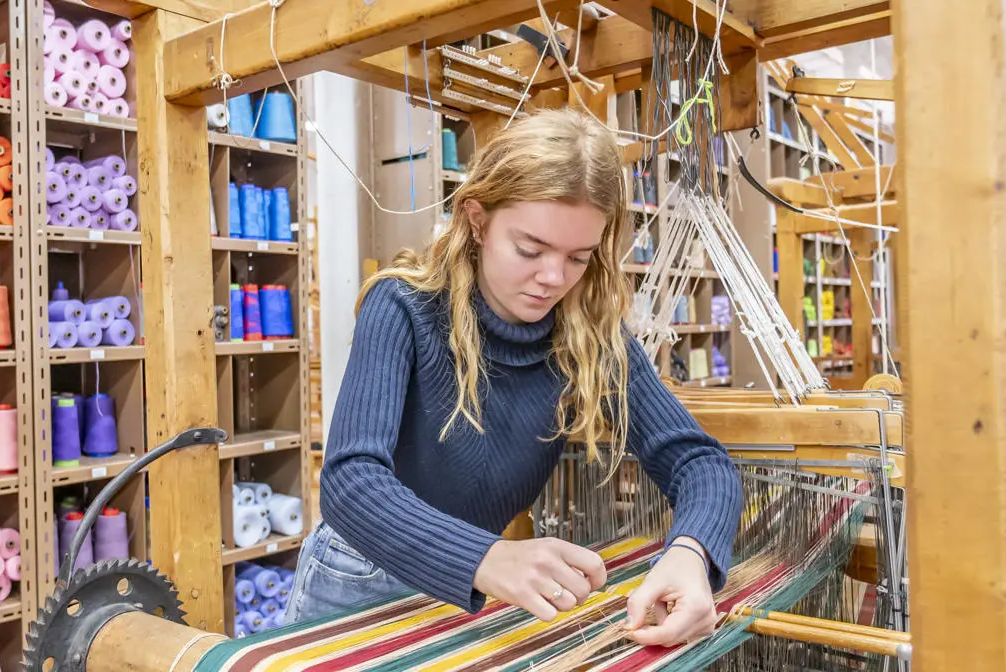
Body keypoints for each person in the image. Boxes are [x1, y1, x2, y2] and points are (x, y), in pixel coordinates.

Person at [285, 108, 743, 648]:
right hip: (357, 580)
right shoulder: (404, 305)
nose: (553, 278)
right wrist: (485, 557)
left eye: (578, 257)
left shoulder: (590, 337)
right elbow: (350, 482)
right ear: (477, 220)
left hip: (473, 584)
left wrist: (692, 555)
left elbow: (702, 462)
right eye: (530, 249)